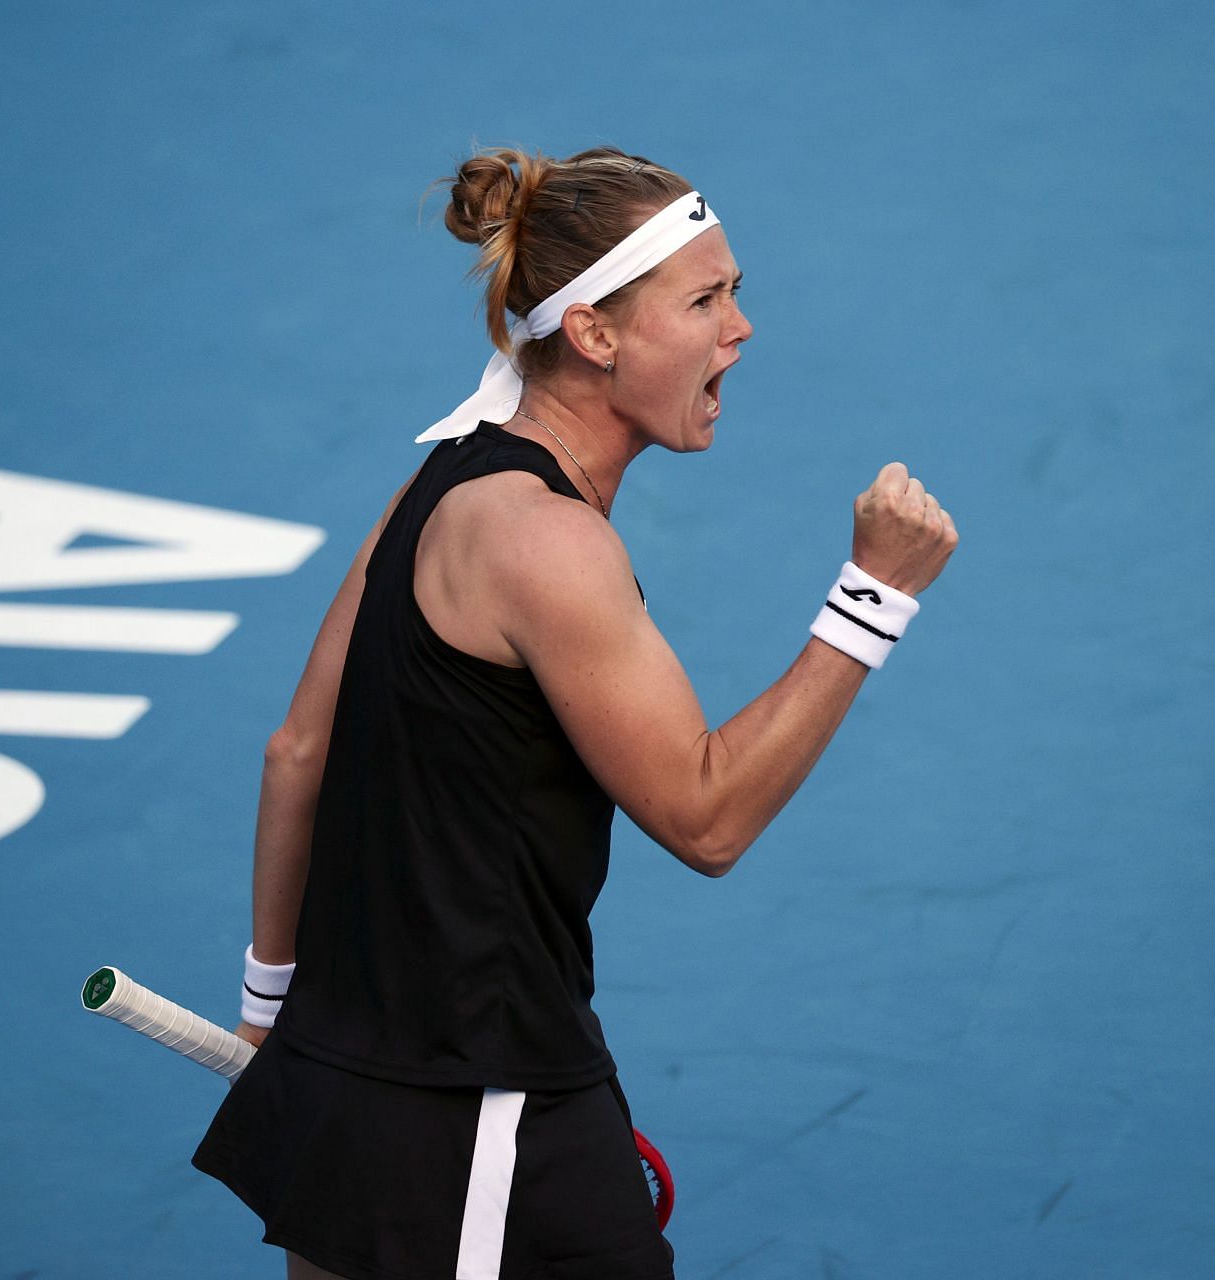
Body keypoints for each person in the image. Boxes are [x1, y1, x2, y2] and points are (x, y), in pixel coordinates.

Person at [192, 145, 959, 1280]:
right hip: (482, 1106)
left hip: (349, 1081)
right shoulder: (548, 542)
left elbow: (295, 748)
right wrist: (873, 597)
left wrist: (272, 1006)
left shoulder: (442, 478)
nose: (739, 328)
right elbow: (707, 817)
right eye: (705, 300)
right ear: (594, 333)